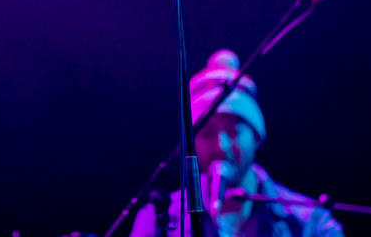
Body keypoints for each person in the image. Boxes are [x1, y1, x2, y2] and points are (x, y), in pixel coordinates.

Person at [129, 49, 345, 237]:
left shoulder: (310, 222)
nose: (221, 147)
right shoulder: (159, 217)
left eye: (233, 132)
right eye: (206, 133)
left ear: (257, 136)